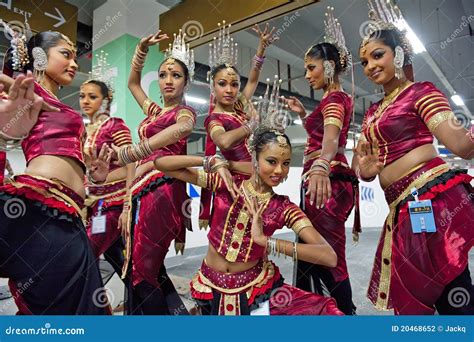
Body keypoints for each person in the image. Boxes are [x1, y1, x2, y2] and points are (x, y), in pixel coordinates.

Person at [354, 0, 474, 315]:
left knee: (450, 287)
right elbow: (365, 166)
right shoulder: (371, 112)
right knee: (418, 298)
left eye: (378, 55)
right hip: (401, 209)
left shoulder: (420, 92)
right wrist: (365, 171)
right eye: (364, 61)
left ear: (400, 55)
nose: (370, 67)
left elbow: (461, 145)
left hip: (432, 200)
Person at [153, 126, 343, 316]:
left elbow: (328, 256)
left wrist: (266, 242)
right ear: (254, 158)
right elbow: (161, 163)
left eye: (285, 163)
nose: (279, 170)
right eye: (271, 161)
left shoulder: (283, 207)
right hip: (209, 287)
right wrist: (212, 161)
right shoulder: (225, 184)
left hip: (255, 289)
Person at [0, 31, 110, 314]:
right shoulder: (27, 91)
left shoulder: (54, 100)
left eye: (75, 56)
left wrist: (92, 176)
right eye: (66, 54)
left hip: (69, 213)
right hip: (40, 209)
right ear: (39, 56)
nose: (74, 63)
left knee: (77, 304)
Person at [116, 30, 196, 315]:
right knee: (137, 264)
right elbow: (133, 83)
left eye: (175, 75)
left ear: (186, 82)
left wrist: (140, 150)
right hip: (140, 189)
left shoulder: (182, 113)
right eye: (163, 75)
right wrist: (140, 51)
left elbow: (184, 129)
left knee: (142, 268)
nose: (168, 80)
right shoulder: (154, 113)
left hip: (163, 189)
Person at [285, 7, 358, 315]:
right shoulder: (331, 100)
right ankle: (321, 310)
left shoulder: (335, 101)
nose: (307, 74)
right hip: (326, 178)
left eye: (311, 67)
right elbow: (323, 134)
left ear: (328, 66)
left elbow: (330, 139)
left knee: (326, 252)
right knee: (317, 248)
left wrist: (319, 166)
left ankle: (343, 312)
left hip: (326, 181)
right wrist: (303, 115)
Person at [199, 22, 277, 229]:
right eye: (222, 84)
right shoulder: (214, 119)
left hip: (255, 179)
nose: (230, 90)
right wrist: (251, 126)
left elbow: (252, 82)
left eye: (234, 84)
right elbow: (223, 142)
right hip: (234, 184)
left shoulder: (239, 107)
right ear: (212, 86)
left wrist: (260, 51)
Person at [81, 79, 133, 279]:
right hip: (92, 204)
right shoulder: (85, 131)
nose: (85, 101)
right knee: (119, 262)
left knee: (87, 252)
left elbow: (132, 163)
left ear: (106, 100)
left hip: (113, 204)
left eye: (92, 97)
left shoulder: (114, 125)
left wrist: (127, 205)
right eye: (82, 96)